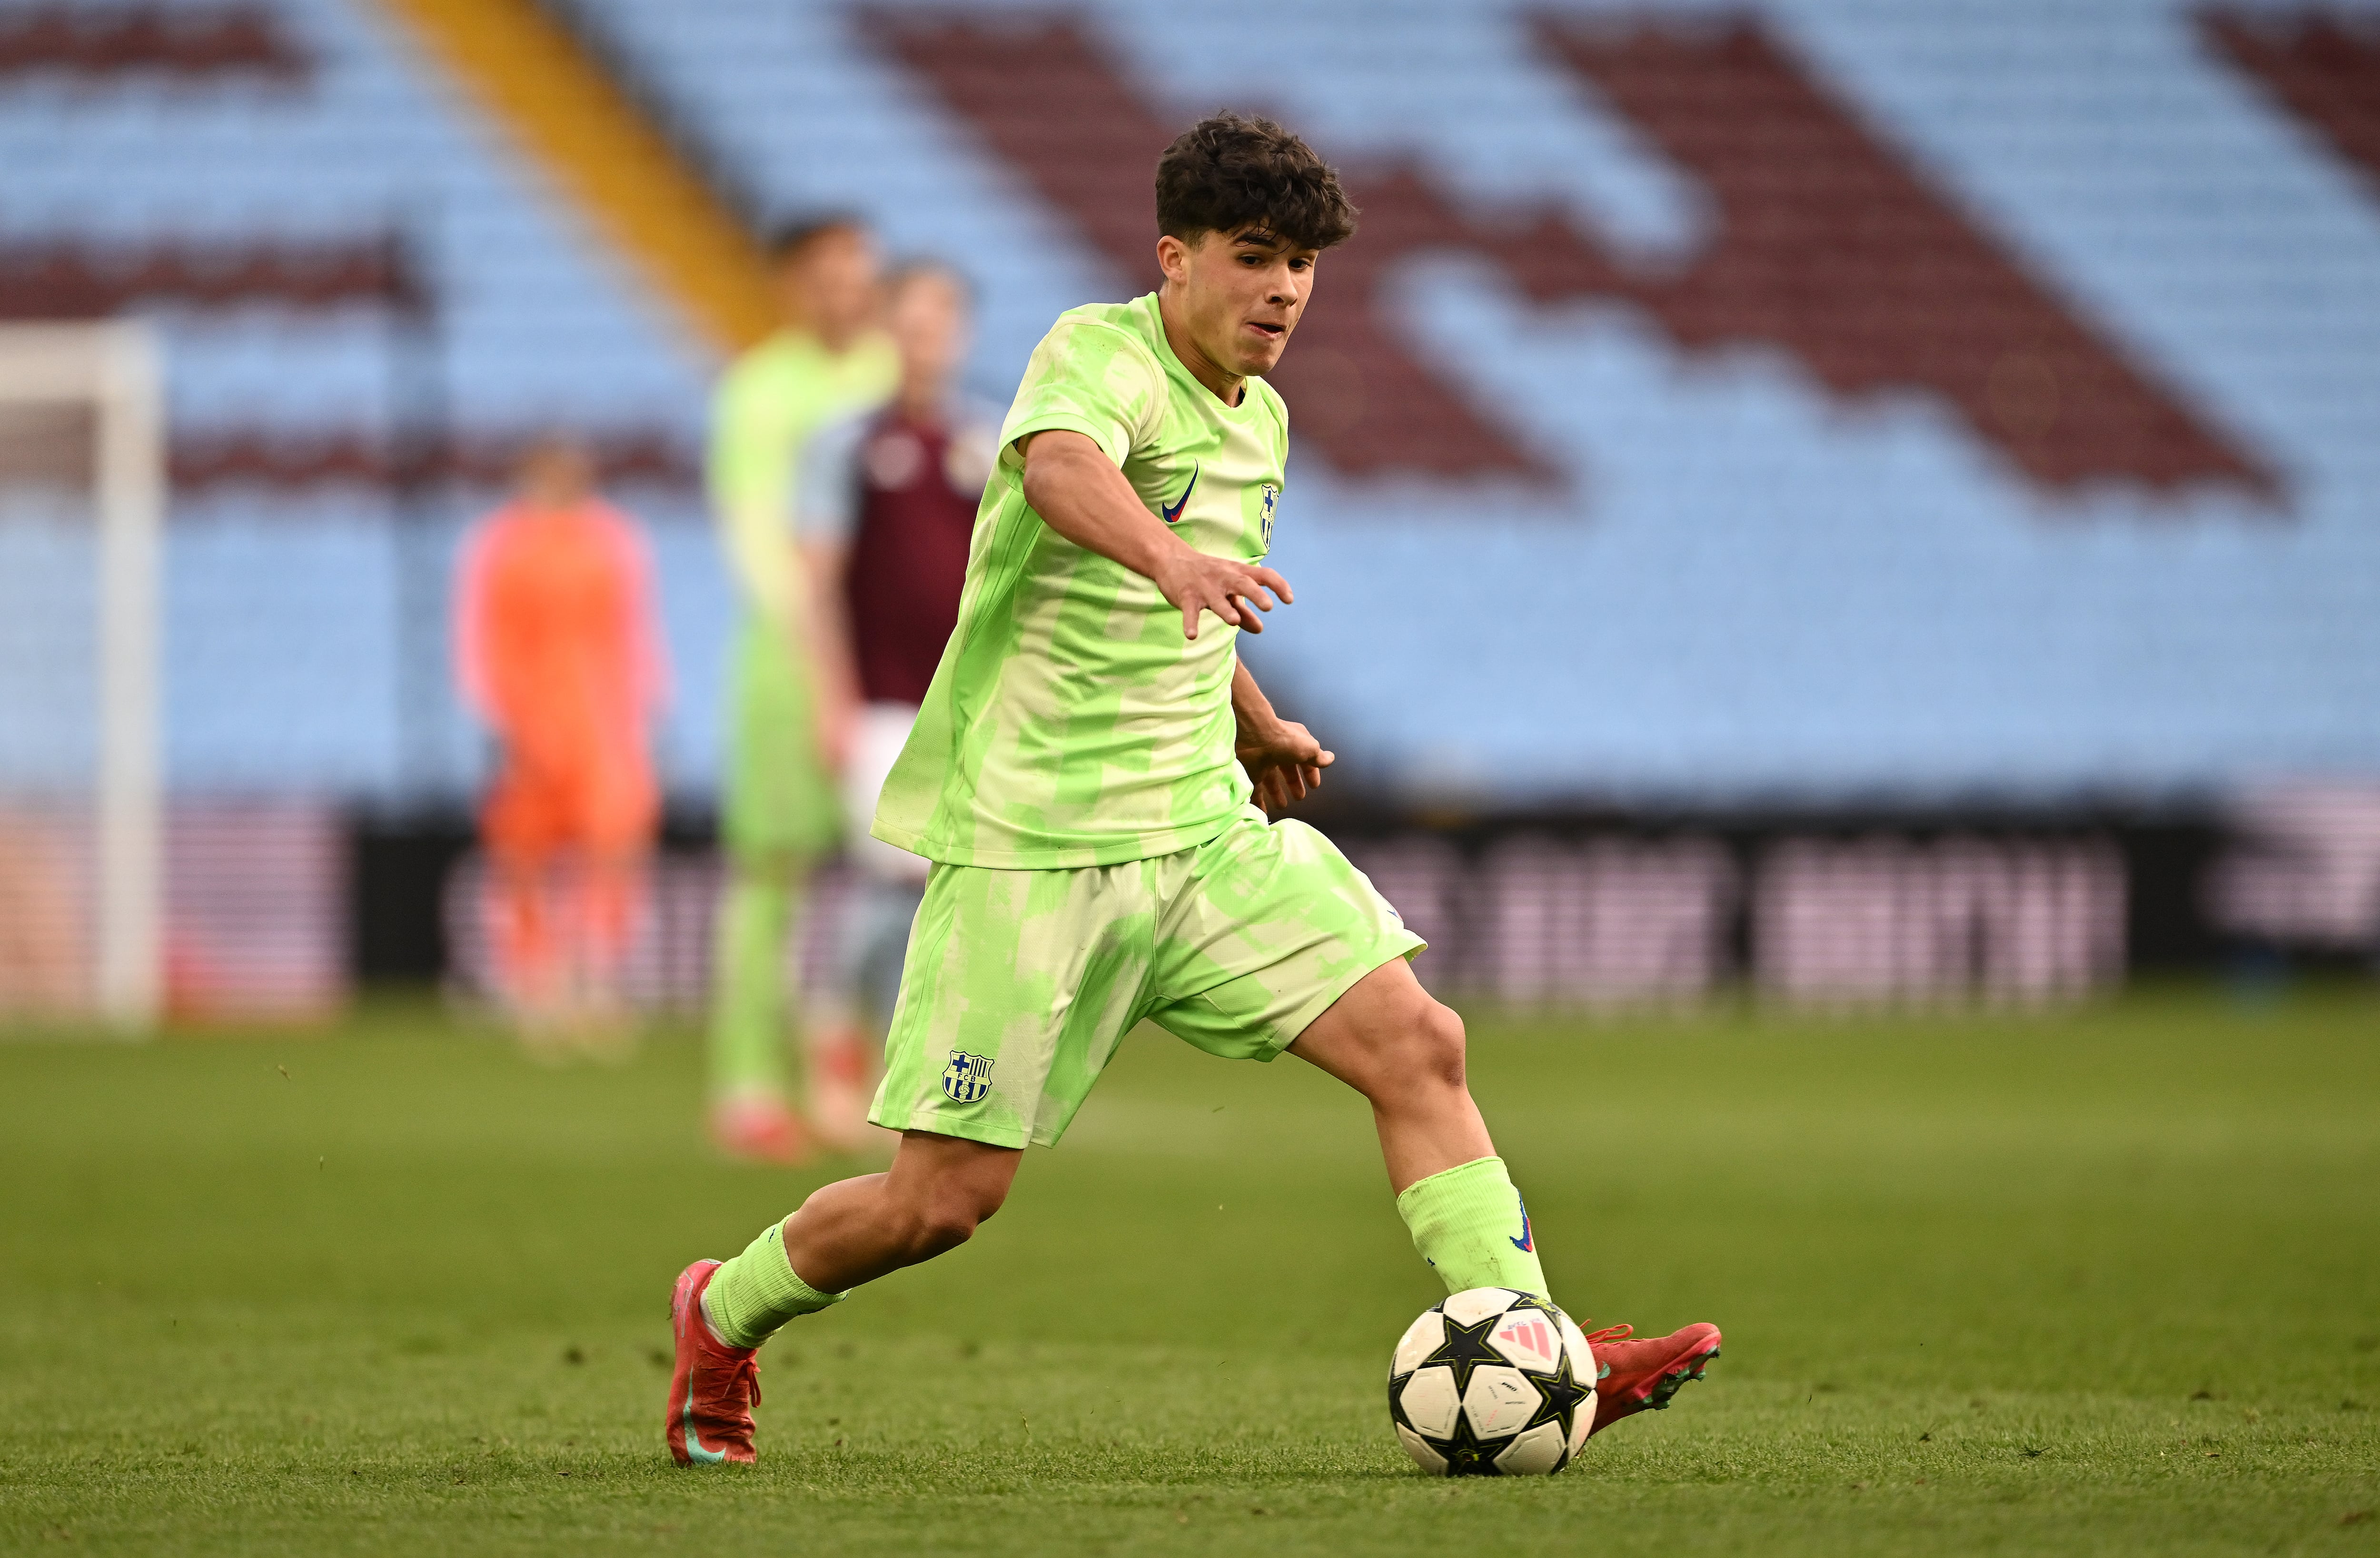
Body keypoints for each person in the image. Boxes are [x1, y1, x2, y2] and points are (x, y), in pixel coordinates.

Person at [665, 113, 1720, 1467]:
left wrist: (1258, 718)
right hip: (1033, 847)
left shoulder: (1263, 419)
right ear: (1177, 260)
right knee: (940, 1201)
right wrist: (1168, 561)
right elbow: (1061, 472)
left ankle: (1526, 1336)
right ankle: (723, 1309)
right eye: (1256, 257)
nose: (1285, 289)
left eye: (1305, 266)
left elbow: (1198, 608)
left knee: (1420, 1042)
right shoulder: (1095, 356)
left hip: (1202, 835)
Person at [792, 260, 1001, 1147]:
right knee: (895, 877)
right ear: (886, 329)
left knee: (941, 890)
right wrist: (828, 697)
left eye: (941, 320)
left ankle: (892, 1067)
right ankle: (835, 1052)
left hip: (962, 706)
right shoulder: (844, 442)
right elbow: (815, 578)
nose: (927, 336)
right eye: (911, 320)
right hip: (880, 704)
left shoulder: (984, 442)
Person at [706, 217, 898, 1161]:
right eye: (826, 274)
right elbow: (757, 541)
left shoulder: (889, 379)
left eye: (857, 273)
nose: (844, 291)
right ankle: (747, 1082)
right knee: (774, 873)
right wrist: (822, 650)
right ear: (791, 282)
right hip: (790, 663)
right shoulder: (759, 392)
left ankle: (843, 1066)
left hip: (895, 665)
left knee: (895, 873)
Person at [453, 437, 666, 1053]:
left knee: (613, 849)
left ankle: (596, 982)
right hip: (533, 722)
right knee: (524, 857)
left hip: (605, 722)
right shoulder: (504, 545)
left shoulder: (611, 540)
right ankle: (534, 986)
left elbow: (633, 634)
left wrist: (644, 715)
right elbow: (488, 642)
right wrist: (509, 720)